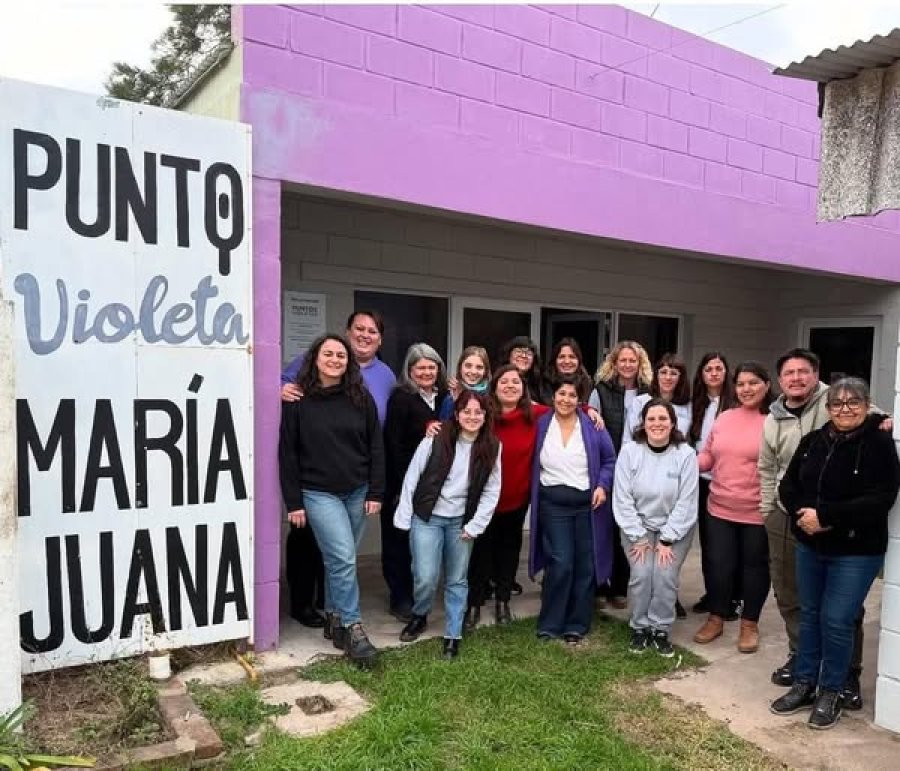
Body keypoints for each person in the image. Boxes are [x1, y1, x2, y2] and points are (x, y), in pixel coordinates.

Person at [758, 348, 890, 706]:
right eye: (838, 404)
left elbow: (880, 498)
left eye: (853, 403)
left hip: (854, 549)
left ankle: (838, 685)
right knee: (808, 610)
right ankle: (804, 680)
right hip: (805, 537)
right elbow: (785, 481)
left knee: (839, 618)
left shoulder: (878, 440)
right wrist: (800, 514)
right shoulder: (811, 439)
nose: (845, 409)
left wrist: (825, 517)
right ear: (827, 407)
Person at [280, 310, 395, 631]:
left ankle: (332, 614)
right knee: (342, 558)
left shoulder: (371, 388)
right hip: (317, 489)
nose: (334, 359)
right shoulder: (299, 398)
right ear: (315, 359)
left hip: (357, 486)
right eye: (328, 354)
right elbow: (287, 451)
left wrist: (375, 489)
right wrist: (293, 501)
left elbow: (376, 443)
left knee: (338, 559)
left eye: (372, 331)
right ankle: (351, 625)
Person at [394, 391, 502, 660]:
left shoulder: (492, 447)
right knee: (426, 576)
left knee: (457, 579)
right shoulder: (435, 439)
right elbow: (412, 478)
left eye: (479, 412)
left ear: (486, 416)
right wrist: (404, 515)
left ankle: (453, 635)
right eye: (467, 411)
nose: (472, 417)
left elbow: (491, 490)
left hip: (461, 522)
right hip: (428, 516)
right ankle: (420, 614)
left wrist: (476, 525)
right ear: (456, 413)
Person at [529, 376, 617, 644]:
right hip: (553, 503)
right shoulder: (541, 423)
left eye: (571, 395)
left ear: (580, 400)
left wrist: (602, 485)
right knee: (561, 562)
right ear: (553, 397)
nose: (565, 399)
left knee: (584, 565)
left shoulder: (592, 424)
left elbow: (609, 460)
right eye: (561, 394)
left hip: (587, 506)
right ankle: (551, 623)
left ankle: (577, 624)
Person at [693, 362, 773, 653]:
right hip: (719, 507)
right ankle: (716, 617)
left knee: (754, 568)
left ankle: (749, 624)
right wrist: (683, 461)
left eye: (753, 383)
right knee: (718, 565)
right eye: (741, 384)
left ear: (766, 384)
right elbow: (707, 457)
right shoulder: (725, 417)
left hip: (757, 511)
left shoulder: (774, 420)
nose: (746, 389)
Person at [613, 398, 699, 657]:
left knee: (664, 574)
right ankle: (640, 627)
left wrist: (667, 539)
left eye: (663, 419)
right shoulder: (630, 452)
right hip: (637, 526)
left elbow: (687, 501)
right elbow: (622, 497)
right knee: (641, 573)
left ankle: (660, 628)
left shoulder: (685, 455)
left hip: (675, 528)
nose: (657, 424)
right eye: (651, 419)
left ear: (673, 423)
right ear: (643, 423)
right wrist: (638, 536)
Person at [382, 343, 451, 620]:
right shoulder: (400, 397)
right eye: (420, 367)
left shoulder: (444, 396)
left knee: (422, 542)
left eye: (431, 366)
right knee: (398, 542)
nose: (426, 371)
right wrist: (403, 486)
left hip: (434, 485)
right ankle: (400, 597)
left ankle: (422, 593)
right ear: (410, 371)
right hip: (402, 483)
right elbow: (394, 444)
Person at [589, 341, 652, 609]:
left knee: (627, 527)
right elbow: (592, 425)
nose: (627, 365)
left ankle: (620, 586)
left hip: (638, 470)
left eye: (632, 361)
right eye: (622, 360)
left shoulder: (649, 393)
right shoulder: (600, 391)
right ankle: (600, 583)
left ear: (640, 364)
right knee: (603, 528)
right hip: (608, 466)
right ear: (613, 364)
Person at [281, 310, 396, 423]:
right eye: (359, 329)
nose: (365, 335)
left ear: (380, 339)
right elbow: (279, 382)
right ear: (348, 332)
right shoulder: (320, 359)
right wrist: (281, 388)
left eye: (372, 331)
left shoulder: (387, 375)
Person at [689, 352, 738, 616]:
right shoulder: (696, 403)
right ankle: (713, 594)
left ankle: (731, 598)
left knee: (726, 546)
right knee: (708, 544)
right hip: (700, 481)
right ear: (702, 374)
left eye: (719, 368)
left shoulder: (735, 403)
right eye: (708, 368)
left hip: (727, 482)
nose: (714, 373)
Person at [623, 353, 693, 444]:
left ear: (681, 378)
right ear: (656, 375)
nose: (668, 377)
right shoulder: (639, 402)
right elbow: (627, 439)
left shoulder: (688, 406)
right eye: (663, 372)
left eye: (673, 373)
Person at [439, 346, 491, 419]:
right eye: (468, 366)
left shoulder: (492, 396)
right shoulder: (450, 397)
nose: (473, 371)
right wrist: (454, 403)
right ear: (460, 368)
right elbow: (445, 425)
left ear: (485, 371)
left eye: (479, 367)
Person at [541, 337, 593, 404]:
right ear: (555, 360)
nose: (567, 361)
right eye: (562, 357)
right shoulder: (543, 383)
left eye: (572, 357)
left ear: (579, 360)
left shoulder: (587, 384)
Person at [498, 336, 544, 404]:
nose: (524, 356)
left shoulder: (540, 382)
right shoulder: (498, 378)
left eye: (528, 353)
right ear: (509, 355)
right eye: (518, 351)